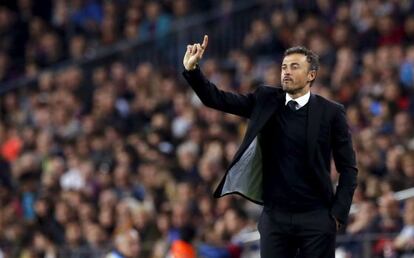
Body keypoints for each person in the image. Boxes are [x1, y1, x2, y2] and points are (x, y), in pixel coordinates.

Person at [182, 35, 358, 257]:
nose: (286, 71)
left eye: (295, 67)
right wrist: (193, 71)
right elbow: (217, 99)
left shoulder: (331, 112)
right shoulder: (266, 99)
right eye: (284, 66)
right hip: (276, 217)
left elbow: (348, 167)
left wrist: (337, 213)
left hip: (316, 216)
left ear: (311, 75)